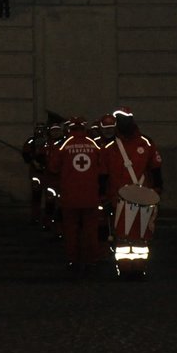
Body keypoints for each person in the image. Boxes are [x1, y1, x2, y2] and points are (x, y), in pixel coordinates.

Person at [105, 106, 164, 277]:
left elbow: (155, 167)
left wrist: (157, 189)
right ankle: (125, 269)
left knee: (140, 235)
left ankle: (138, 267)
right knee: (124, 236)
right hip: (120, 198)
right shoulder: (111, 147)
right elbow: (103, 173)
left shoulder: (145, 143)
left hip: (141, 197)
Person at [45, 117, 108, 276]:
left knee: (71, 230)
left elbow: (53, 167)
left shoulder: (65, 145)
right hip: (91, 195)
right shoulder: (93, 145)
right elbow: (103, 170)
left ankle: (73, 260)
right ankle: (91, 260)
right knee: (90, 230)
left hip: (70, 196)